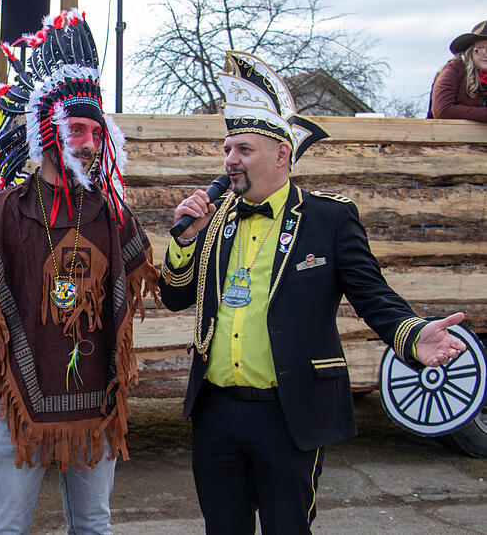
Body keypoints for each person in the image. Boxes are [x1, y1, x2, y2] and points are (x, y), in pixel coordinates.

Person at [160, 51, 468, 534]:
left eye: (243, 149)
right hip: (216, 411)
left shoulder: (328, 218)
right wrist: (182, 241)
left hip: (289, 412)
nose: (230, 161)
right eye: (227, 149)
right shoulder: (214, 218)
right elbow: (176, 298)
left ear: (282, 154)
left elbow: (372, 294)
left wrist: (410, 335)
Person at [0, 9, 159, 534]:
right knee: (6, 527)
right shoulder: (4, 211)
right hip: (17, 402)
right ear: (48, 132)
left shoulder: (113, 214)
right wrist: (7, 356)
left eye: (94, 131)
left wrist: (189, 236)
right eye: (75, 129)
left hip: (96, 400)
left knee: (93, 525)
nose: (86, 142)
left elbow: (145, 284)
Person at [428, 20, 487, 123]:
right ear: (470, 51)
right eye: (480, 49)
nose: (486, 54)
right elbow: (443, 111)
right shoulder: (454, 70)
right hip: (447, 137)